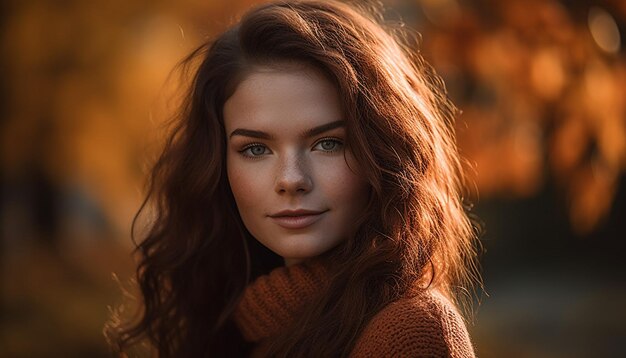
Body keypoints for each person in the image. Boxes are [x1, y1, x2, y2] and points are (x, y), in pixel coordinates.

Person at [106, 0, 481, 356]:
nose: (291, 179)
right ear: (218, 166)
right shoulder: (237, 326)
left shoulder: (410, 331)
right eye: (255, 149)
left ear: (383, 155)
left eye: (328, 144)